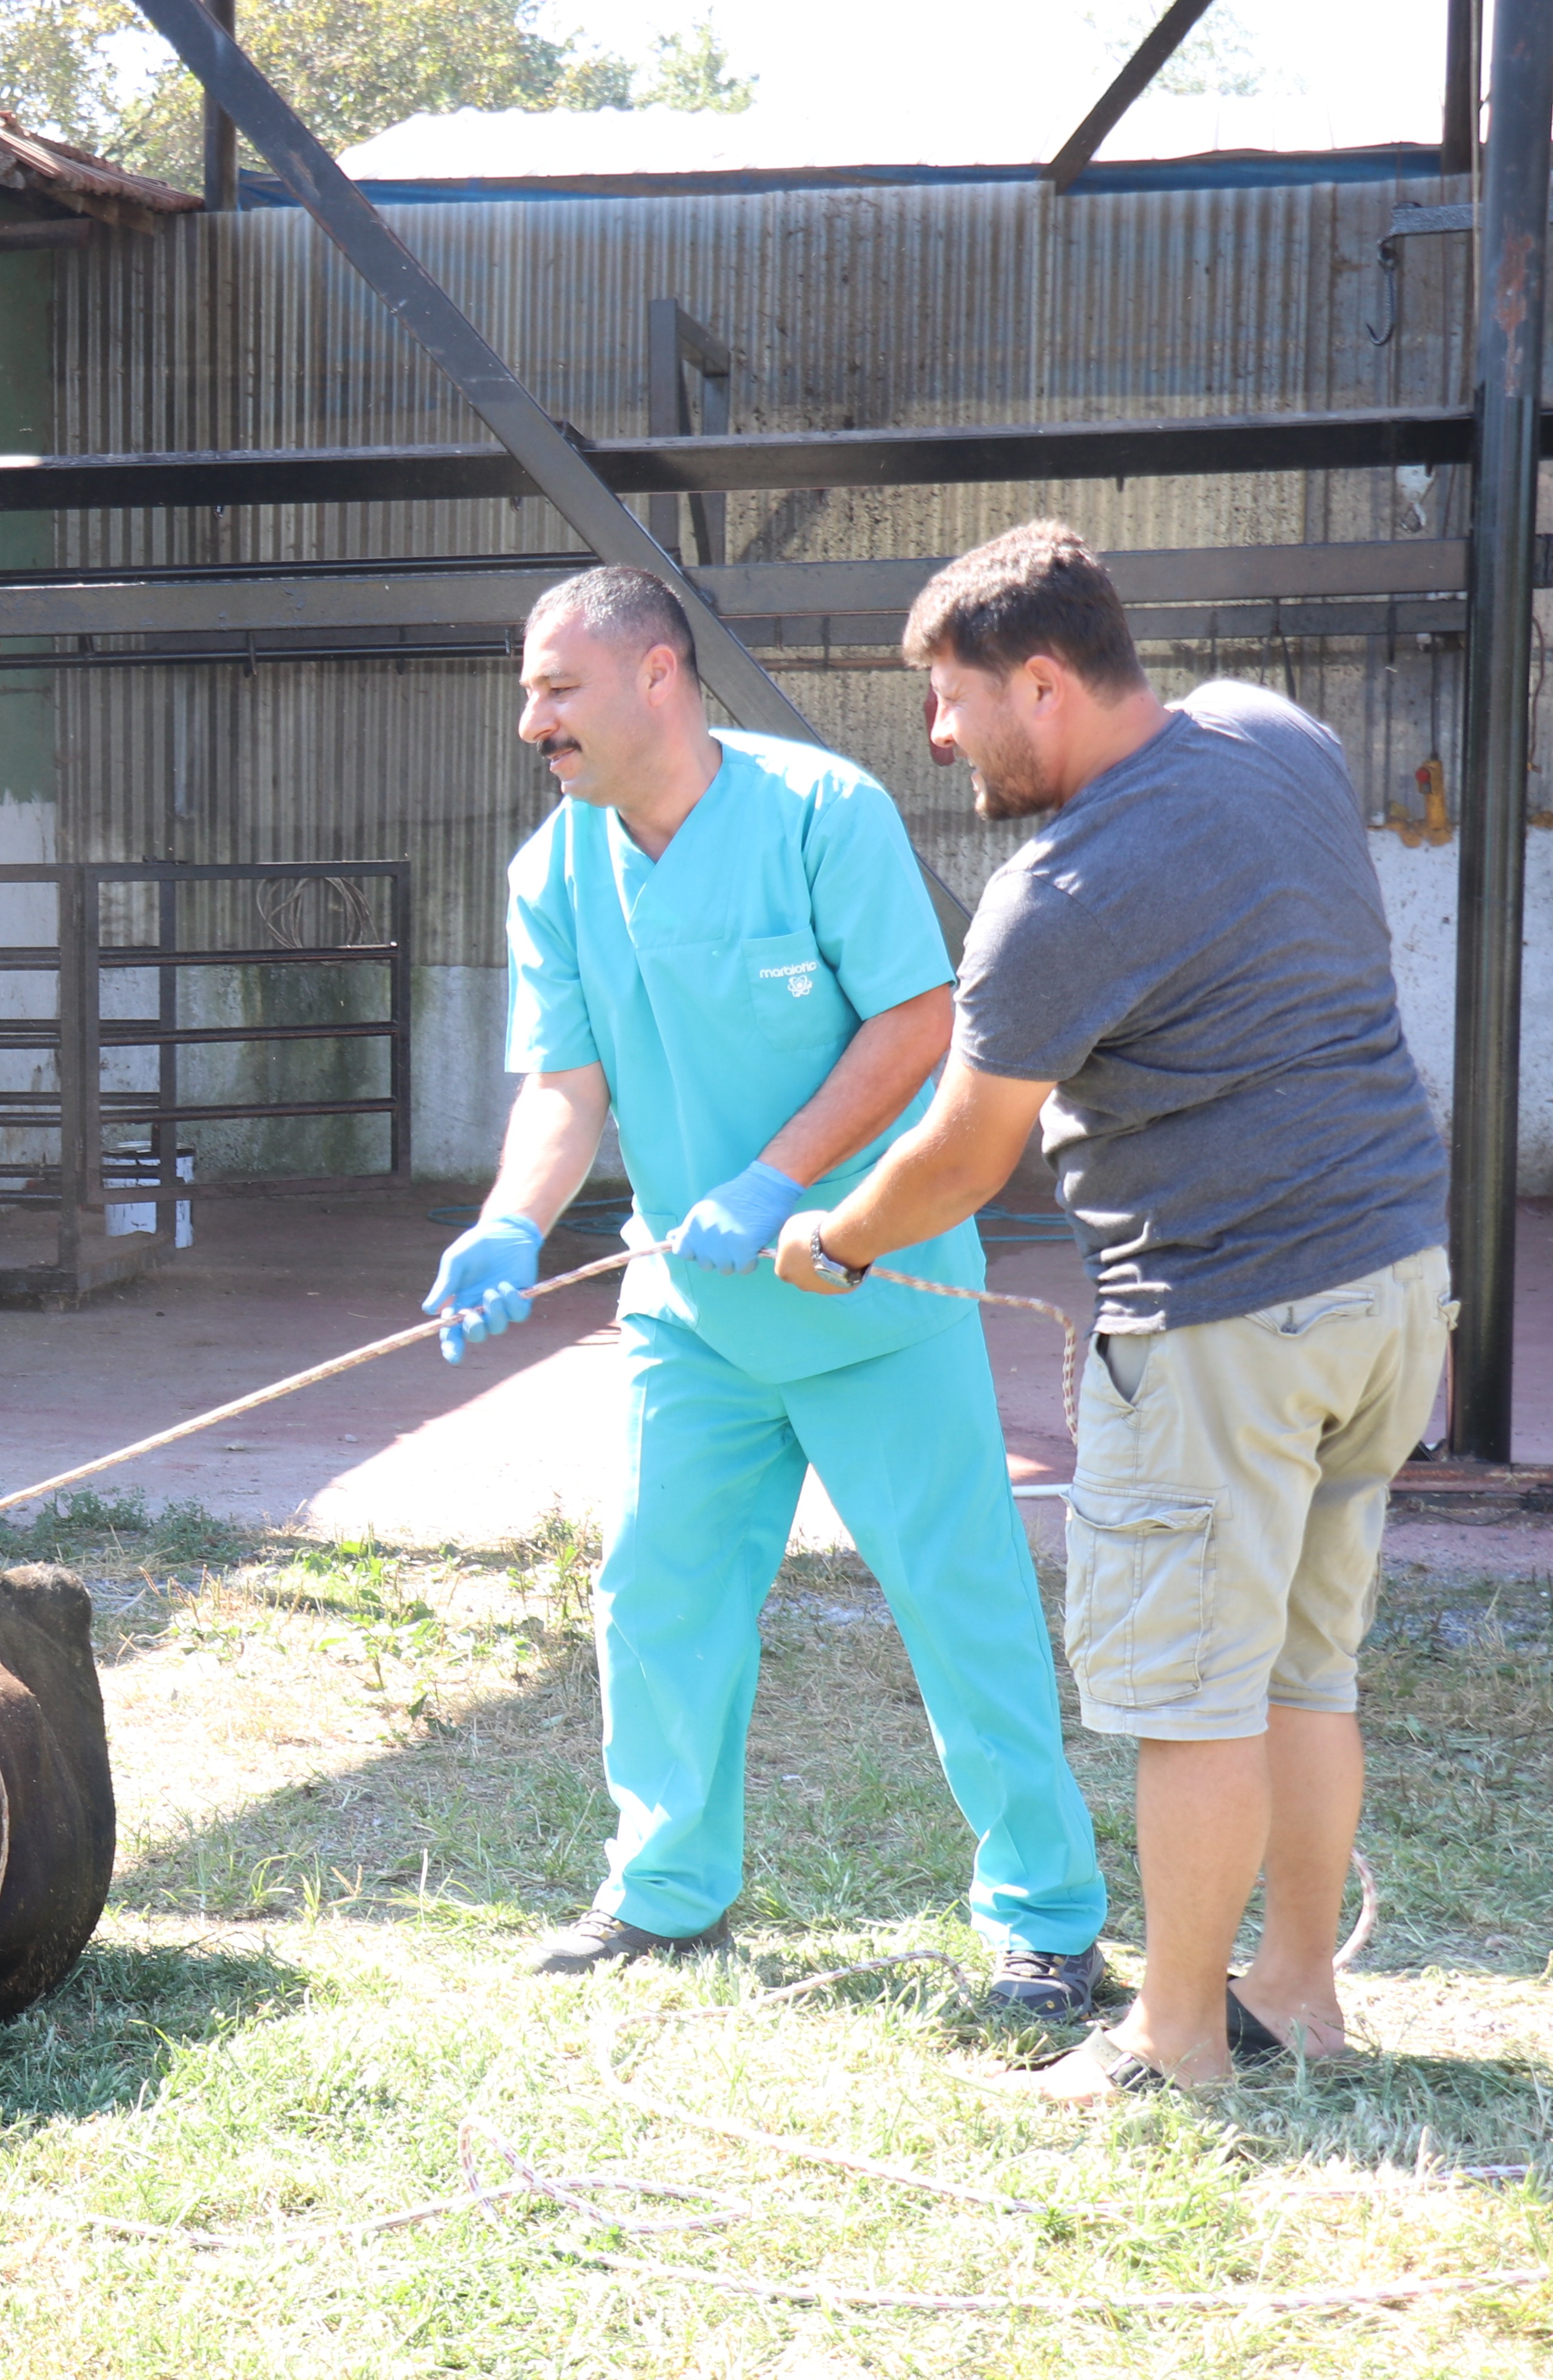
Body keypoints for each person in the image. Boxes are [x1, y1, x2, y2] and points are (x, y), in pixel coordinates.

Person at [773, 522, 1451, 2097]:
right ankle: (1301, 1996)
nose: (936, 738)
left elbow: (962, 1150)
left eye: (951, 702)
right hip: (1393, 1283)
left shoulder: (1058, 896)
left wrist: (842, 1240)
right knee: (1304, 1670)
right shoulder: (1274, 735)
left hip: (1225, 1322)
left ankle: (1180, 2041)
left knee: (1193, 1700)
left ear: (1046, 682)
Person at [427, 565, 1106, 2012]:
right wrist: (509, 1219)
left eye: (557, 688)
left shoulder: (820, 811)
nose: (531, 719)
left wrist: (780, 1178)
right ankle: (666, 1893)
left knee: (961, 1601)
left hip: (878, 1294)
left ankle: (1047, 1917)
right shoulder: (554, 871)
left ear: (657, 672)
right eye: (528, 692)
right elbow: (565, 1083)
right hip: (695, 1313)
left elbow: (919, 1022)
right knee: (656, 1595)